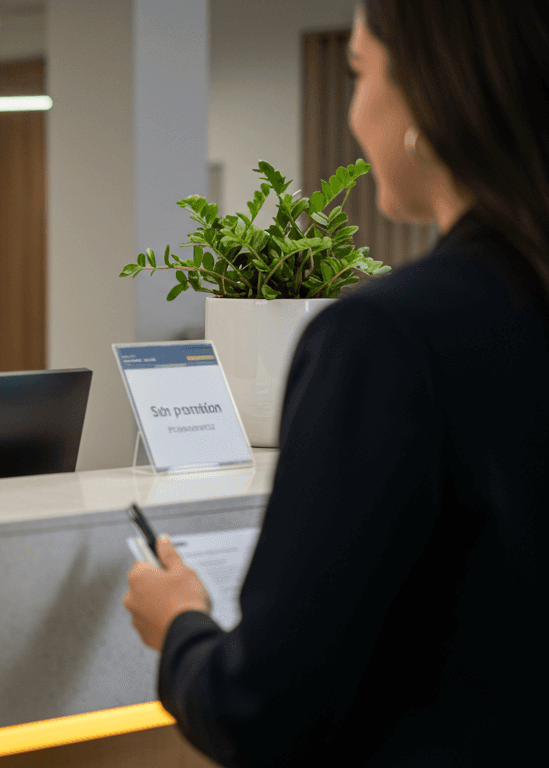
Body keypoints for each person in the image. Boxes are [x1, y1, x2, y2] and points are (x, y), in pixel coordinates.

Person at [122, 1, 549, 765]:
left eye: (358, 72)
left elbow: (259, 709)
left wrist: (180, 627)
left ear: (429, 92)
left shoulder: (387, 342)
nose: (353, 114)